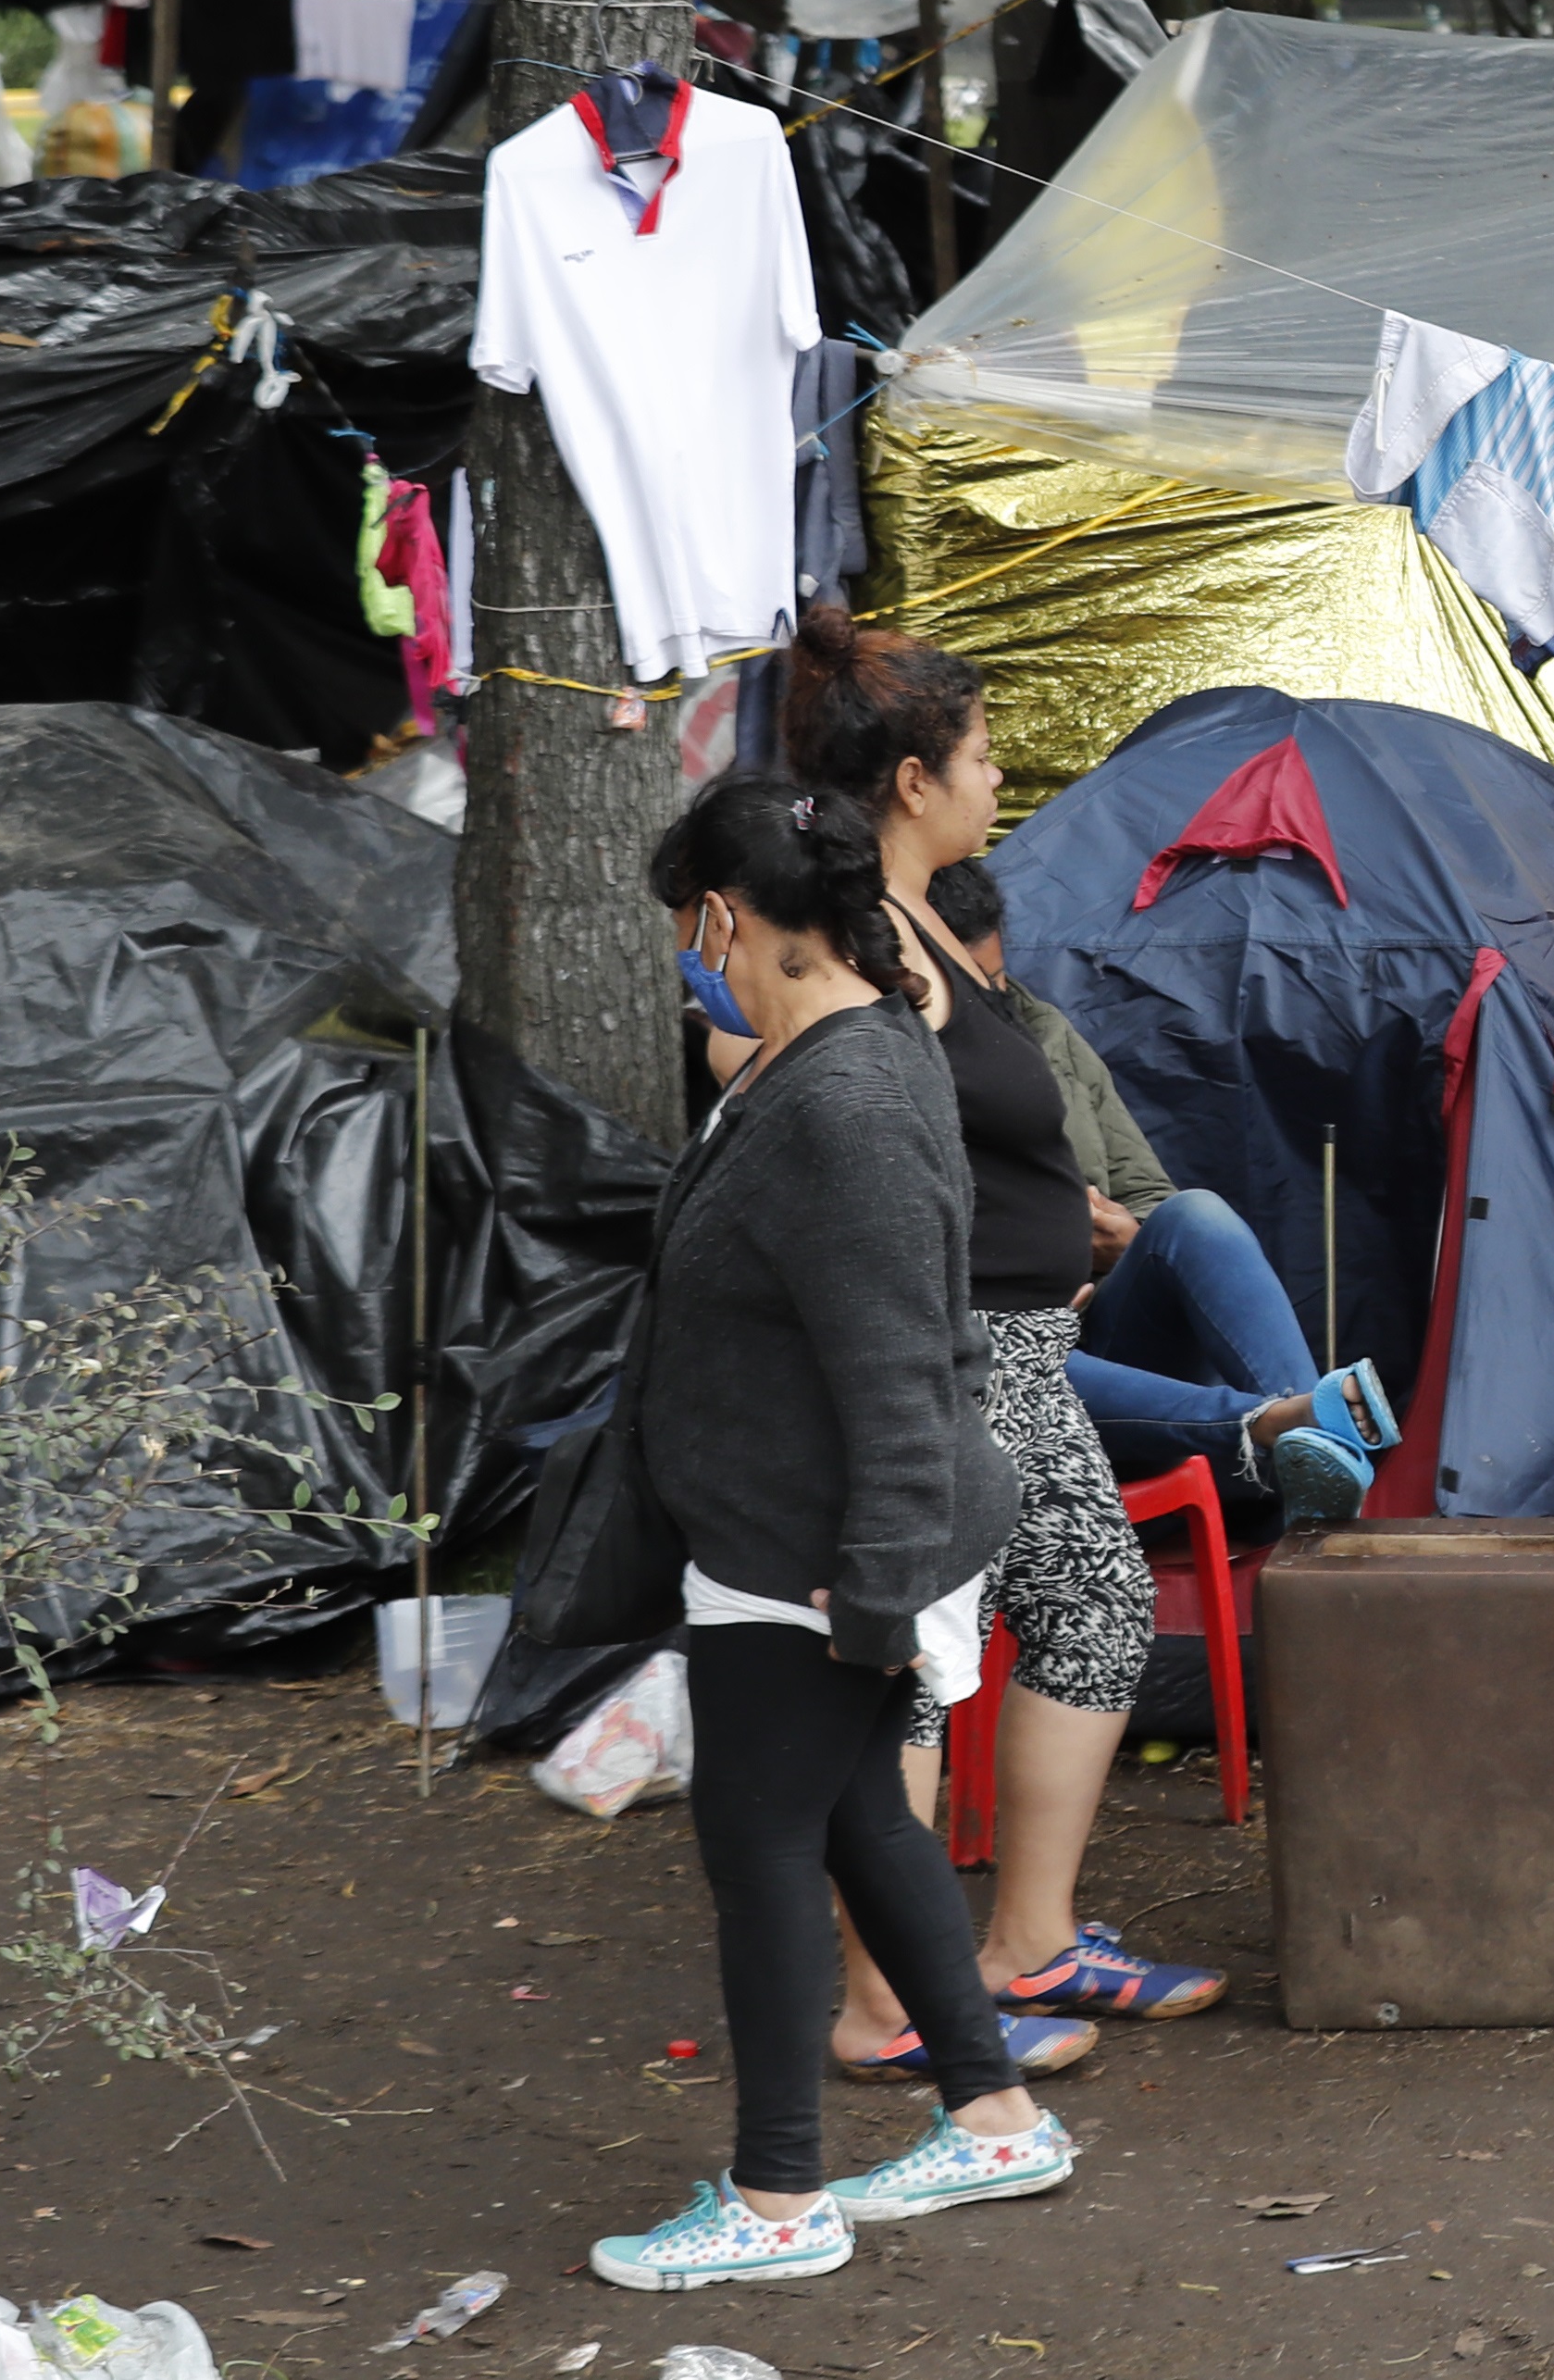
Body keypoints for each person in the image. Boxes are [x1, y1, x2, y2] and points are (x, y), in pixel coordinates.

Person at [591, 779, 1067, 2293]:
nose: (695, 957)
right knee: (862, 1820)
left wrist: (870, 1593)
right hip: (796, 1534)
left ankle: (778, 2199)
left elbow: (897, 1367)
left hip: (813, 1556)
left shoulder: (848, 1095)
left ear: (727, 916)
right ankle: (993, 2115)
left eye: (694, 929)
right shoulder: (835, 1056)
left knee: (759, 1840)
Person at [779, 612, 1229, 2062]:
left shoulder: (922, 930)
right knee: (927, 1650)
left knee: (1093, 1609)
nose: (997, 782)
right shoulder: (860, 946)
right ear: (911, 779)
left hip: (1018, 1340)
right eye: (979, 757)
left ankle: (1029, 1942)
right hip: (946, 1349)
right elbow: (833, 1127)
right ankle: (884, 2006)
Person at [920, 856, 1392, 1521]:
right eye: (969, 989)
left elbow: (1146, 1188)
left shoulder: (1043, 1031)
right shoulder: (889, 1064)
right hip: (1000, 1357)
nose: (990, 1005)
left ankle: (1307, 1450)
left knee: (1193, 1215)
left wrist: (1124, 1239)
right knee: (1008, 1353)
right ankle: (1292, 1430)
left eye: (995, 981)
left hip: (1100, 1330)